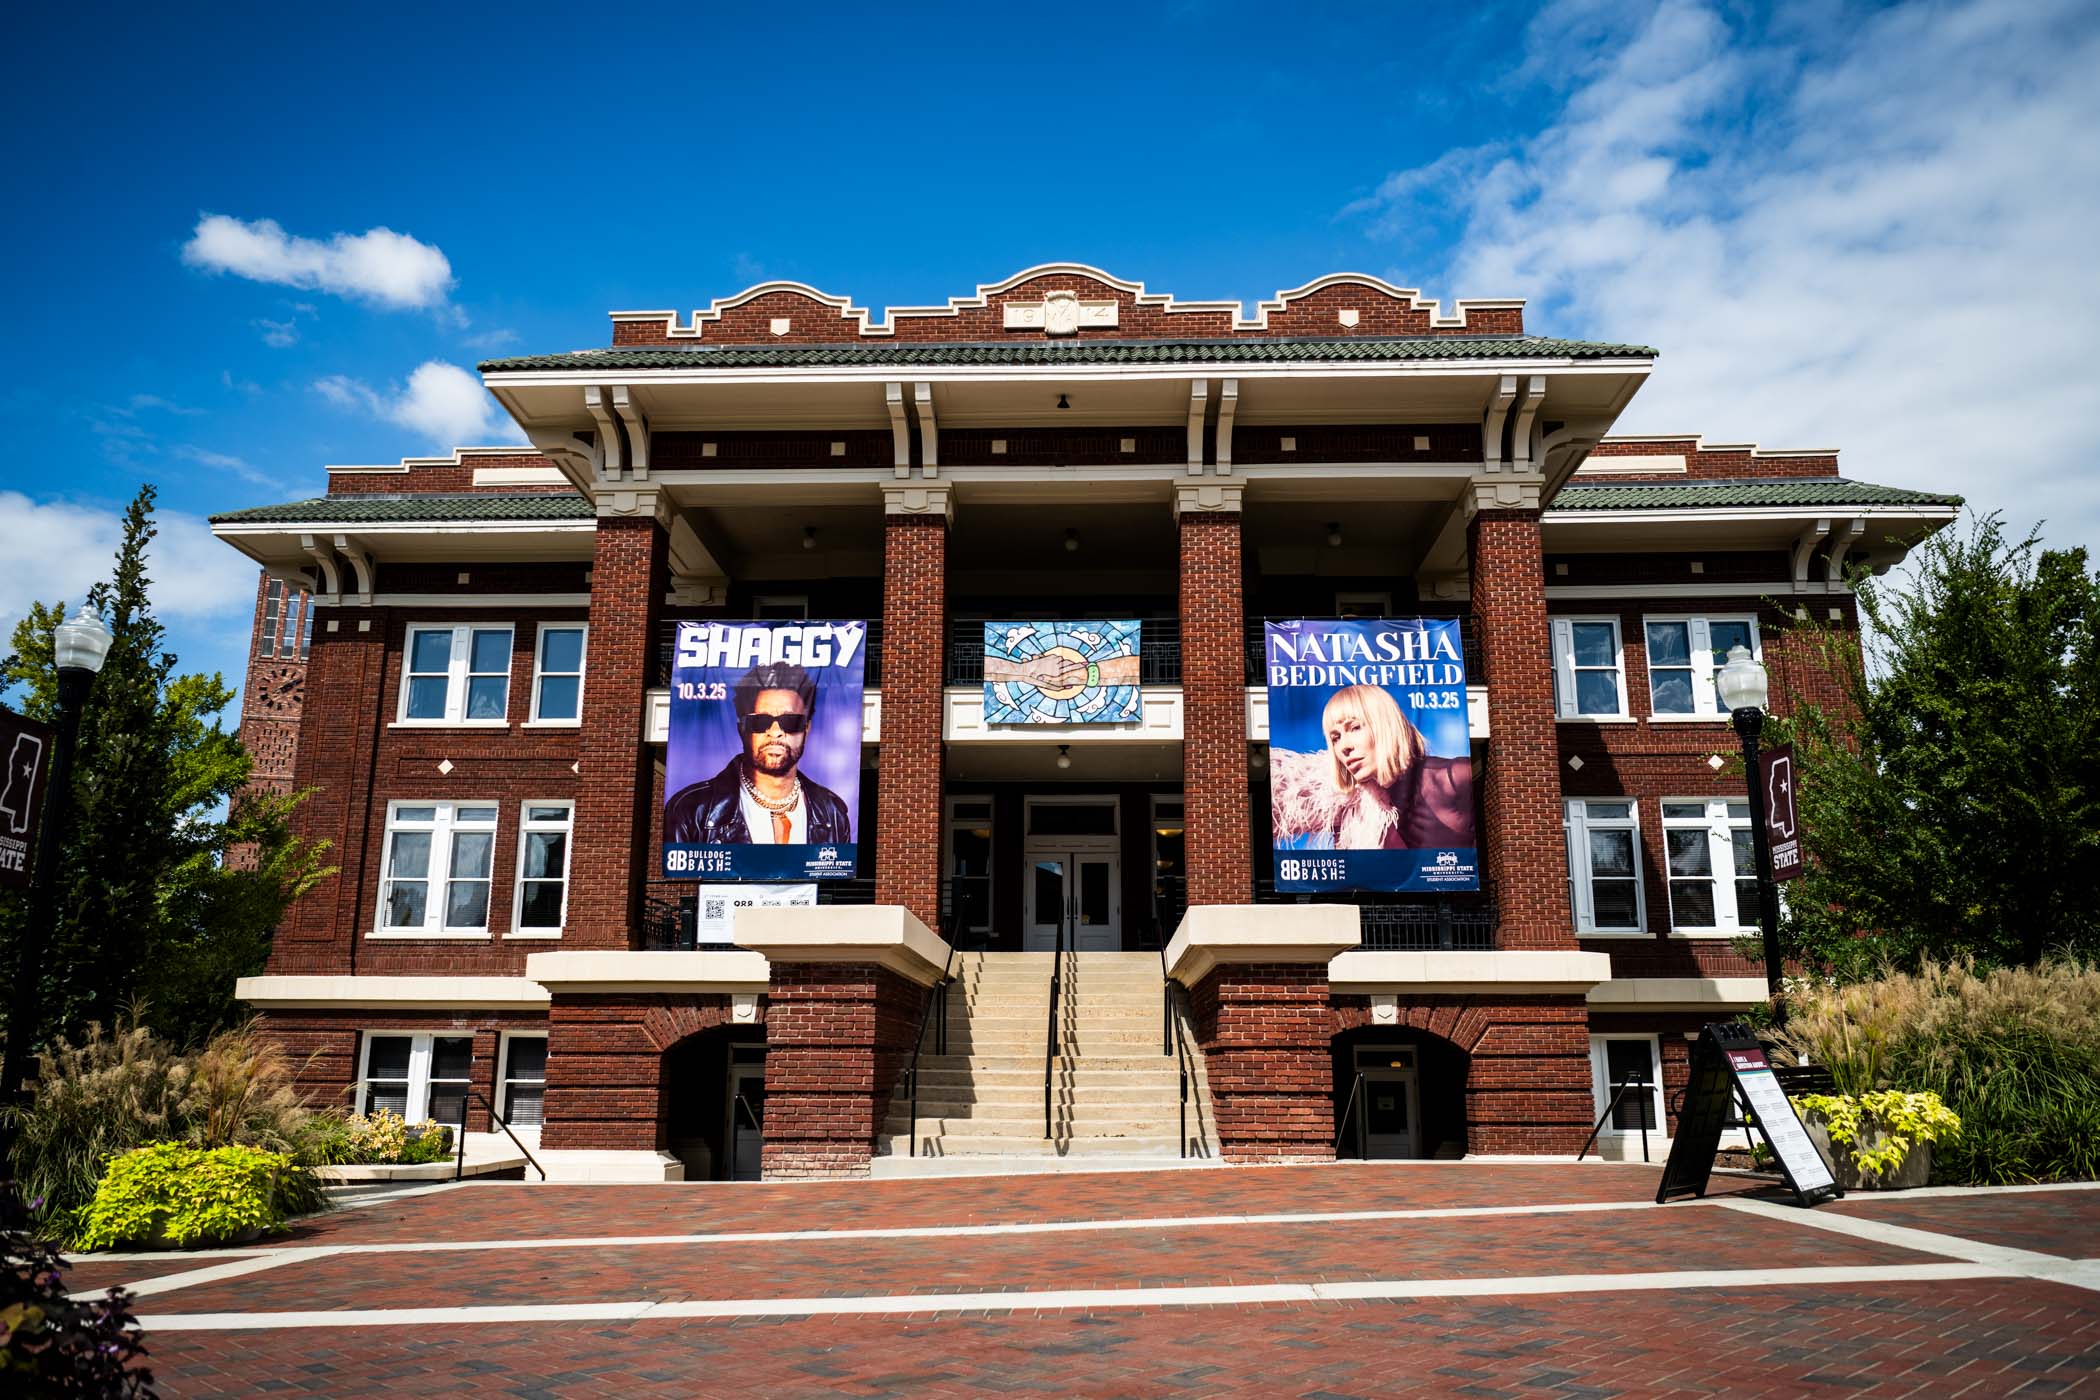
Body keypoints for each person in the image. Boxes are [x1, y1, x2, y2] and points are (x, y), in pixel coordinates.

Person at [665, 661, 852, 846]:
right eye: (761, 721)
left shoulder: (832, 812)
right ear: (742, 729)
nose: (775, 731)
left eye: (791, 721)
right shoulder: (690, 809)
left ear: (807, 729)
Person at [1272, 683, 1472, 850]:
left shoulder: (1456, 777)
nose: (1344, 746)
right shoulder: (1353, 815)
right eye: (1335, 738)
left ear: (1385, 725)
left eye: (1355, 728)